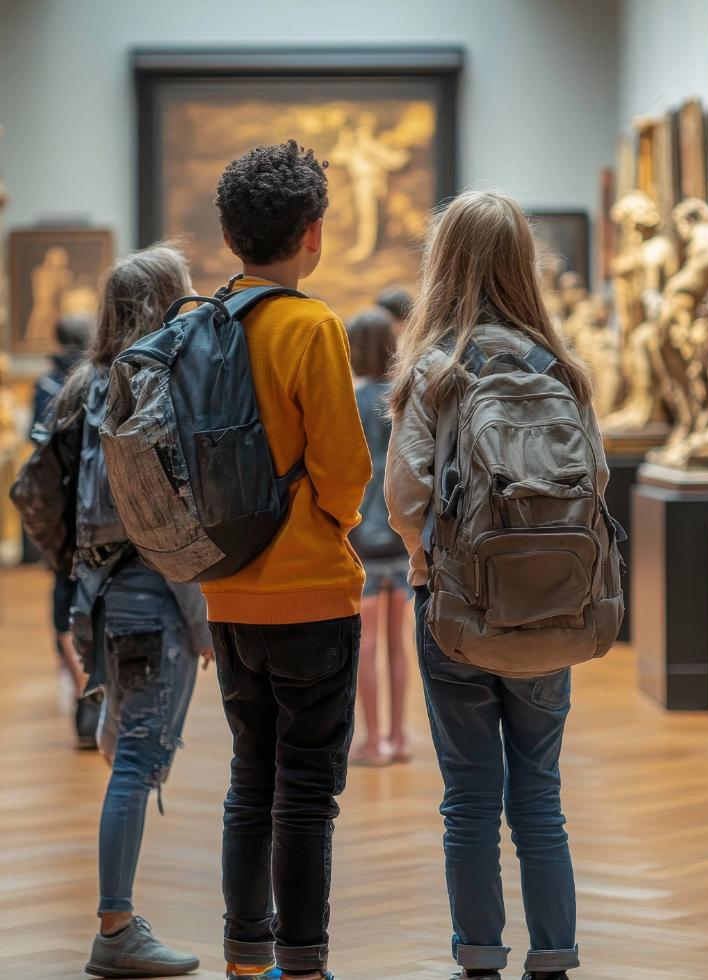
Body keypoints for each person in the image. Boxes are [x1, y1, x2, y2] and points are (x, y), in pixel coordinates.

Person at [386, 190, 603, 980]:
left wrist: (437, 556)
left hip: (457, 613)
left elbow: (405, 498)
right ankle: (554, 957)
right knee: (539, 796)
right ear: (525, 265)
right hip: (552, 611)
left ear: (442, 264)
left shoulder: (434, 372)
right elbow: (596, 480)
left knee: (471, 799)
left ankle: (478, 957)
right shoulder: (564, 370)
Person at [206, 140, 372, 980]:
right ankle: (303, 962)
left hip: (227, 594)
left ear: (231, 234)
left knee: (249, 778)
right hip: (310, 594)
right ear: (313, 234)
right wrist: (324, 522)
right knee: (306, 789)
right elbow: (345, 471)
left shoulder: (196, 323)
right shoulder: (312, 325)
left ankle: (244, 954)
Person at [50, 245, 213, 978]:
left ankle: (119, 921)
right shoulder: (152, 385)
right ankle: (115, 927)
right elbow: (164, 518)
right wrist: (201, 612)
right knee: (140, 757)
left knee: (127, 745)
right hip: (151, 595)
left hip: (102, 593)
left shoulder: (86, 385)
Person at [346, 306, 412, 767]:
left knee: (365, 644)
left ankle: (372, 743)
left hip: (361, 541)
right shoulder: (404, 399)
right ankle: (400, 736)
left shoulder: (350, 401)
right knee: (398, 642)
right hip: (402, 536)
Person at [30, 314, 99, 747]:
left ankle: (85, 691)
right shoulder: (102, 378)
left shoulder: (46, 386)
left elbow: (36, 445)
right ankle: (100, 689)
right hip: (101, 508)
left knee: (64, 599)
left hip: (60, 511)